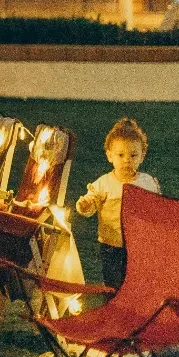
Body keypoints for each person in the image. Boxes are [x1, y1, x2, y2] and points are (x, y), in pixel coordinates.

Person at [74, 118, 159, 290]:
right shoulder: (104, 183)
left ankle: (133, 303)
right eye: (121, 155)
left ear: (142, 156)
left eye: (133, 155)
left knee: (135, 281)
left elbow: (157, 207)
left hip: (139, 244)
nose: (127, 160)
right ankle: (113, 303)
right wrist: (85, 205)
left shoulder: (146, 182)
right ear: (110, 155)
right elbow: (91, 200)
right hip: (110, 245)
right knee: (112, 284)